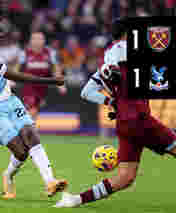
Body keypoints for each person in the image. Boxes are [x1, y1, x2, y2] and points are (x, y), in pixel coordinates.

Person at [54, 17, 176, 208]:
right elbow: (113, 64)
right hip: (140, 119)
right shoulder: (122, 49)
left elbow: (86, 91)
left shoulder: (112, 56)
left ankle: (75, 199)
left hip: (125, 124)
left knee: (125, 178)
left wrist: (112, 100)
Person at [0, 13, 68, 200]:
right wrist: (52, 81)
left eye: (2, 31)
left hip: (9, 99)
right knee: (21, 152)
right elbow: (15, 76)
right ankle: (8, 175)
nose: (1, 35)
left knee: (31, 134)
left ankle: (50, 181)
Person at [18, 32, 67, 120]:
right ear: (30, 41)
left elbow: (55, 69)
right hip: (29, 86)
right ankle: (26, 130)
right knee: (31, 109)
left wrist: (60, 84)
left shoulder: (50, 53)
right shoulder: (24, 53)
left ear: (44, 41)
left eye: (40, 39)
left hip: (43, 87)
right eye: (35, 39)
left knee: (35, 111)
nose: (37, 41)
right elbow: (17, 68)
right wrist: (11, 81)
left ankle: (28, 130)